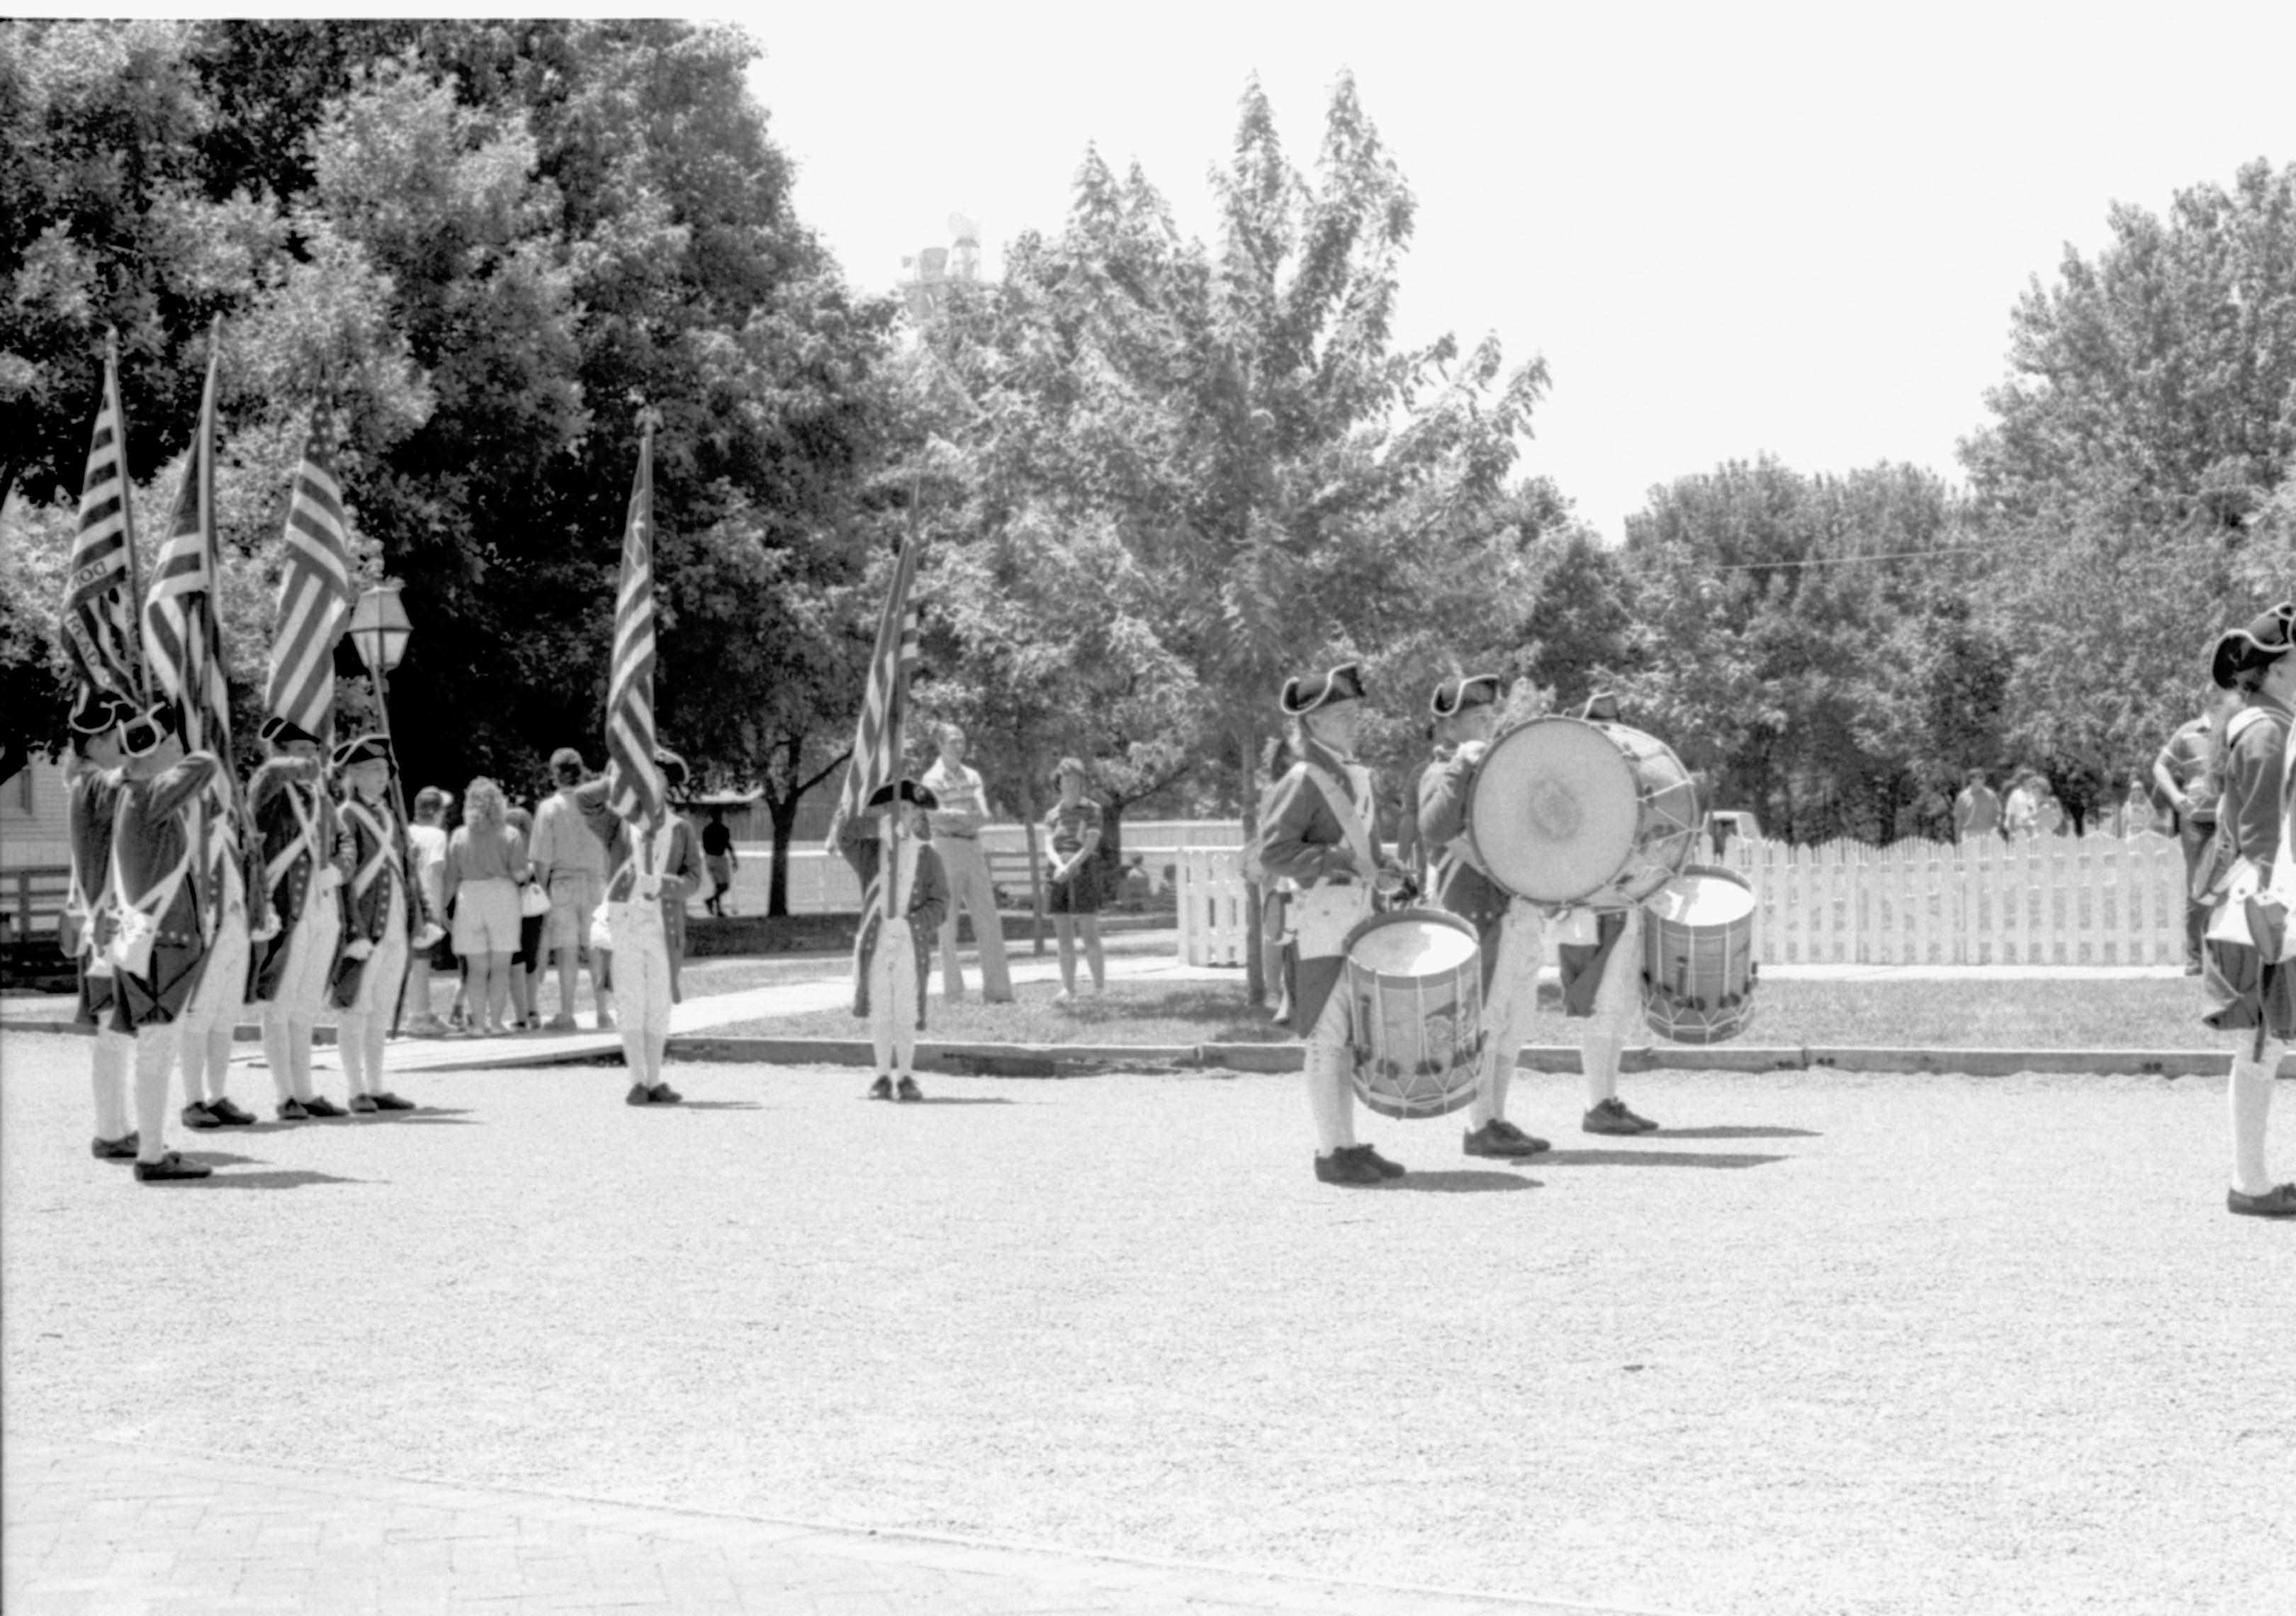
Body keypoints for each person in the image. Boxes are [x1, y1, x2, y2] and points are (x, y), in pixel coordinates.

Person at [1259, 662, 1412, 1186]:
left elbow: (1355, 848)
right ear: (1314, 721)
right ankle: (1331, 1152)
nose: (1354, 722)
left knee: (1345, 1040)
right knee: (1326, 1039)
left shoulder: (1347, 773)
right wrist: (1344, 863)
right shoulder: (1304, 778)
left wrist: (1382, 865)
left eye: (1353, 712)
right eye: (1343, 714)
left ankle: (1347, 1144)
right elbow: (1274, 854)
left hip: (1354, 915)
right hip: (1319, 919)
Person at [1416, 674, 1548, 1160]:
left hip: (1514, 909)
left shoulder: (1493, 772)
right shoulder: (1442, 772)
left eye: (1488, 718)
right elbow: (1435, 827)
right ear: (1446, 725)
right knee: (1486, 1020)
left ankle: (1496, 1116)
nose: (1485, 727)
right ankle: (1479, 1124)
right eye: (1474, 718)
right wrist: (1461, 768)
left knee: (1513, 1019)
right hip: (1478, 913)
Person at [2197, 604, 2296, 1217]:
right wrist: (2269, 914)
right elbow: (2260, 830)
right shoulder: (2267, 730)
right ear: (2278, 667)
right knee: (2262, 1045)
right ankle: (2250, 1185)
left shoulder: (2268, 723)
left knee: (2266, 1045)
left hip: (2263, 897)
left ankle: (2251, 1182)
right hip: (2265, 903)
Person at [103, 702, 222, 1181]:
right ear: (151, 755)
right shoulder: (147, 793)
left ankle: (152, 1147)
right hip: (162, 945)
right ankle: (151, 1154)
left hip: (155, 942)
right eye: (171, 744)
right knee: (158, 1047)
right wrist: (161, 747)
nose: (180, 751)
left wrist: (155, 744)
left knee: (157, 1047)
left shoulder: (138, 793)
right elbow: (207, 764)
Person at [572, 748, 703, 1104]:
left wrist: (663, 886)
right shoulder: (617, 824)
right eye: (643, 777)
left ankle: (656, 1078)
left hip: (663, 923)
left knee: (658, 1000)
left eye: (656, 778)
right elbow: (583, 799)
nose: (649, 784)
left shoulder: (680, 829)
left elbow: (695, 878)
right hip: (624, 919)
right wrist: (616, 777)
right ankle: (636, 1080)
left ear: (665, 785)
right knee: (630, 998)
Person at [245, 716, 352, 1120]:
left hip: (321, 904)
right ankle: (284, 1093)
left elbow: (342, 837)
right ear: (281, 752)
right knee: (281, 1002)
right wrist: (290, 765)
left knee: (307, 1004)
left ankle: (305, 1090)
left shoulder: (319, 797)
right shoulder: (270, 787)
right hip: (287, 904)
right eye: (302, 752)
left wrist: (340, 868)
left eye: (314, 752)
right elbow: (269, 775)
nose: (312, 761)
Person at [172, 726, 271, 1135]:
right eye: (217, 780)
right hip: (207, 925)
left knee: (225, 1016)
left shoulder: (230, 826)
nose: (227, 786)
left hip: (235, 923)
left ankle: (217, 1094)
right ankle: (193, 1098)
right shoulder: (191, 822)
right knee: (199, 1015)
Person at [329, 734, 432, 1111]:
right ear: (353, 774)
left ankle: (376, 1084)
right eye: (373, 770)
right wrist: (353, 931)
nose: (382, 776)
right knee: (356, 1006)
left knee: (382, 1009)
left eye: (384, 769)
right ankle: (356, 1089)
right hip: (365, 926)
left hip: (395, 924)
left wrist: (424, 917)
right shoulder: (346, 816)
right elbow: (345, 881)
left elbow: (408, 873)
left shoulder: (391, 816)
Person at [62, 688, 141, 1161]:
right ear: (92, 744)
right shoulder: (94, 781)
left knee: (122, 1030)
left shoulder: (92, 779)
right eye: (116, 737)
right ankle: (110, 1130)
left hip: (114, 915)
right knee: (115, 1030)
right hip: (108, 918)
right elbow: (131, 791)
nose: (125, 745)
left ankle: (119, 1125)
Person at [840, 778, 949, 1102]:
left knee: (905, 1008)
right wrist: (876, 825)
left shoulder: (928, 857)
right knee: (881, 1008)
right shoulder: (872, 852)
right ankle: (882, 1075)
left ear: (918, 816)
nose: (901, 815)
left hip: (908, 941)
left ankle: (906, 1076)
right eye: (894, 809)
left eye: (907, 809)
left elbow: (940, 904)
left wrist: (913, 923)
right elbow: (843, 835)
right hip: (877, 939)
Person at [921, 724, 1014, 1003]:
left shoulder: (972, 775)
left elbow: (984, 815)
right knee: (947, 923)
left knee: (988, 919)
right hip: (946, 848)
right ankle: (953, 993)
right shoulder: (932, 779)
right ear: (940, 744)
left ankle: (998, 991)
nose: (958, 746)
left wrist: (955, 814)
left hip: (973, 847)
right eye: (952, 742)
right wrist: (965, 815)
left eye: (961, 741)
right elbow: (935, 817)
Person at [531, 747, 612, 1031]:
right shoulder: (596, 804)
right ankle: (603, 1012)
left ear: (556, 775)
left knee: (566, 953)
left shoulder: (549, 809)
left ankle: (567, 1013)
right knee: (596, 950)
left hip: (563, 883)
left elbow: (542, 859)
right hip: (595, 881)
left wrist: (540, 892)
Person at [443, 777, 528, 1037]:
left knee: (476, 968)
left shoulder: (459, 836)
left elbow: (451, 879)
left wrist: (440, 908)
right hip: (502, 895)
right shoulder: (510, 834)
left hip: (469, 896)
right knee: (501, 967)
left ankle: (478, 1024)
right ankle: (497, 1022)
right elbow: (520, 875)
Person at [2157, 689, 2234, 973]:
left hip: (2230, 818)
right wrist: (2176, 798)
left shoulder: (2235, 732)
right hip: (2196, 821)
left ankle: (2227, 959)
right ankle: (2195, 959)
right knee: (2198, 886)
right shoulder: (2187, 733)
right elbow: (2160, 766)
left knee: (2231, 885)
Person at [1043, 756, 1106, 1001]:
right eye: (1066, 779)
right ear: (1059, 782)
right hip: (1057, 876)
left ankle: (1099, 989)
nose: (1070, 784)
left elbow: (1090, 844)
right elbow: (1048, 846)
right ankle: (1069, 989)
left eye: (1076, 780)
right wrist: (1060, 867)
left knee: (1089, 933)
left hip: (1083, 873)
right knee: (1064, 936)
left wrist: (1070, 866)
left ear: (1082, 783)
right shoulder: (1052, 814)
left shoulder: (1093, 810)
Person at [401, 786, 453, 1034]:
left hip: (403, 902)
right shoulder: (437, 836)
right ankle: (418, 1016)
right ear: (434, 811)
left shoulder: (406, 832)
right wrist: (437, 908)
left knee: (415, 960)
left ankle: (422, 1011)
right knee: (422, 962)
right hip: (424, 903)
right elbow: (435, 870)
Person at [505, 803, 543, 1031]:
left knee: (515, 964)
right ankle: (534, 1011)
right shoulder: (535, 855)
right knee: (531, 963)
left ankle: (521, 1017)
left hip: (511, 909)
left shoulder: (506, 851)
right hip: (534, 911)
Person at [699, 808, 737, 918]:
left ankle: (719, 910)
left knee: (717, 885)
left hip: (709, 858)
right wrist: (734, 859)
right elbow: (728, 845)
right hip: (719, 858)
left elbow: (704, 845)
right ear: (720, 816)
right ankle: (711, 900)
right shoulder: (723, 830)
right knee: (725, 886)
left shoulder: (706, 830)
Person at [1952, 770, 2000, 843]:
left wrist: (1997, 830)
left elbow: (1998, 814)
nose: (1983, 780)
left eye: (1983, 777)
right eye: (1980, 777)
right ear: (1972, 780)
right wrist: (1958, 838)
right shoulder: (1963, 797)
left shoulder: (1991, 795)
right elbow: (1959, 820)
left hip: (1988, 834)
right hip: (1969, 835)